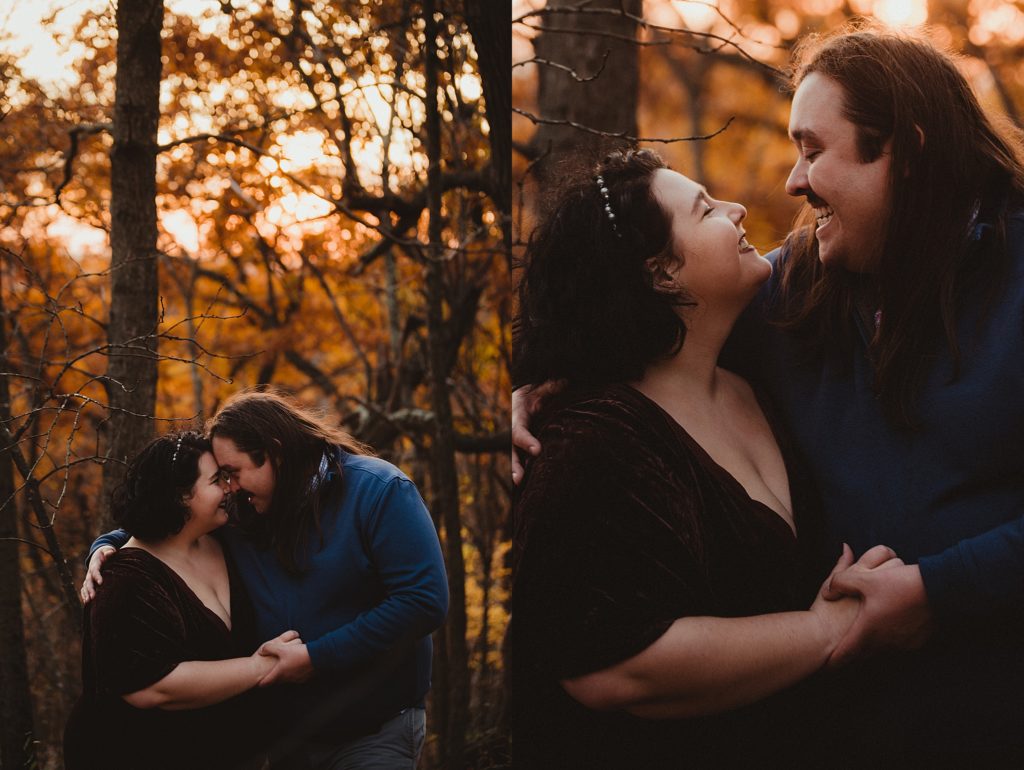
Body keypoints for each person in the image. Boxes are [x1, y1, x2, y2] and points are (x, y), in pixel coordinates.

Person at [514, 23, 1024, 765]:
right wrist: (536, 377)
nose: (791, 183)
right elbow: (627, 303)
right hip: (841, 734)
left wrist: (941, 592)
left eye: (814, 150)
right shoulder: (792, 291)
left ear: (905, 152)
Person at [508, 147, 902, 769]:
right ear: (660, 273)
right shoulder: (594, 442)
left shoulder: (757, 377)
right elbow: (608, 667)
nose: (738, 207)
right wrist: (824, 631)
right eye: (706, 208)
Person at [82, 390, 449, 769]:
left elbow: (423, 600)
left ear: (273, 452)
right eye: (222, 478)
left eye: (234, 473)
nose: (230, 487)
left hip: (373, 731)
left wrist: (316, 658)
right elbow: (168, 520)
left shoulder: (378, 490)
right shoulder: (244, 508)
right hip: (285, 740)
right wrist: (107, 545)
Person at [64, 430, 301, 770]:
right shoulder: (125, 579)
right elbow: (150, 687)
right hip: (135, 755)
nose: (229, 488)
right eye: (217, 480)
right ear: (180, 496)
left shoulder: (225, 538)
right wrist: (260, 666)